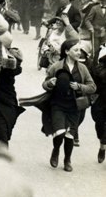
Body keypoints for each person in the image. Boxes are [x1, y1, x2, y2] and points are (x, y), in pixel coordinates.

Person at [42, 39, 96, 172]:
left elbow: (92, 87)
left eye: (80, 50)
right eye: (76, 50)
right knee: (60, 132)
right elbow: (44, 83)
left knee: (70, 135)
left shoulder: (82, 68)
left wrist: (79, 86)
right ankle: (56, 150)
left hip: (75, 107)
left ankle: (67, 160)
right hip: (58, 104)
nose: (79, 53)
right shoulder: (56, 66)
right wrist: (50, 83)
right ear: (67, 51)